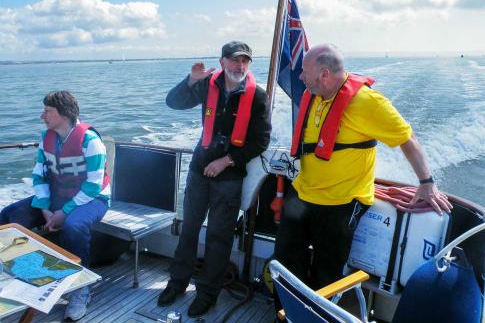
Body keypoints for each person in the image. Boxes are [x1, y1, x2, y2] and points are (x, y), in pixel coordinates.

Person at [274, 43, 452, 291]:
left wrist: (427, 183)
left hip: (340, 204)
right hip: (303, 194)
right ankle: (286, 314)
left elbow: (407, 139)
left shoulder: (369, 103)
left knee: (327, 274)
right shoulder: (312, 95)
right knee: (284, 262)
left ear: (324, 74)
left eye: (305, 71)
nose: (301, 77)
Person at [157, 41, 271, 317]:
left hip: (229, 176)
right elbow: (173, 102)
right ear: (222, 62)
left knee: (219, 237)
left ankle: (207, 293)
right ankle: (177, 283)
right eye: (234, 60)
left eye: (245, 61)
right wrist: (191, 80)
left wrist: (227, 160)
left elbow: (261, 141)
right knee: (189, 229)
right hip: (199, 170)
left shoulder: (257, 96)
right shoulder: (208, 84)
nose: (239, 66)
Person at [0, 90, 110, 321]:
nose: (43, 116)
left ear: (64, 113)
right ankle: (23, 277)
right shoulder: (46, 138)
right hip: (56, 198)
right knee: (10, 216)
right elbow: (39, 176)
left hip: (92, 199)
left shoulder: (91, 141)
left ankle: (81, 288)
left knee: (74, 226)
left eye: (47, 111)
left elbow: (93, 186)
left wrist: (64, 212)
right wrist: (45, 208)